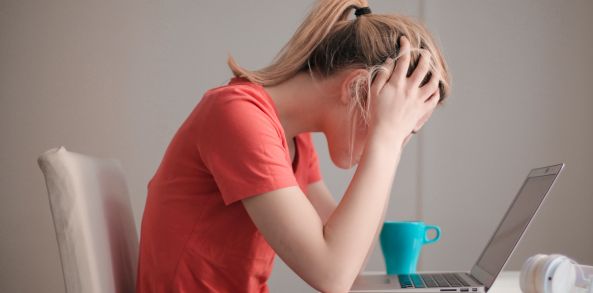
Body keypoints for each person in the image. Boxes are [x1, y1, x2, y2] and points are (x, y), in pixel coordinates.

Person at [136, 0, 451, 292]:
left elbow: (352, 260)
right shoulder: (237, 115)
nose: (397, 135)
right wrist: (386, 140)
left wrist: (391, 144)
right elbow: (332, 275)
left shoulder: (294, 139)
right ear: (354, 88)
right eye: (397, 120)